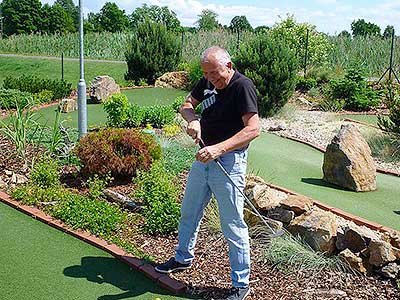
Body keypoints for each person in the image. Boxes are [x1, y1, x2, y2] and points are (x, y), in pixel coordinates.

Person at [155, 46, 259, 300]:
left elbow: (253, 129)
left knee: (232, 223)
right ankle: (182, 258)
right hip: (203, 159)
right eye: (207, 74)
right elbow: (187, 104)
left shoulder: (242, 87)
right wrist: (193, 120)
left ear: (229, 66)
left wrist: (218, 149)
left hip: (229, 161)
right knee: (189, 211)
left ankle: (241, 283)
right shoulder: (208, 80)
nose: (211, 79)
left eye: (215, 73)